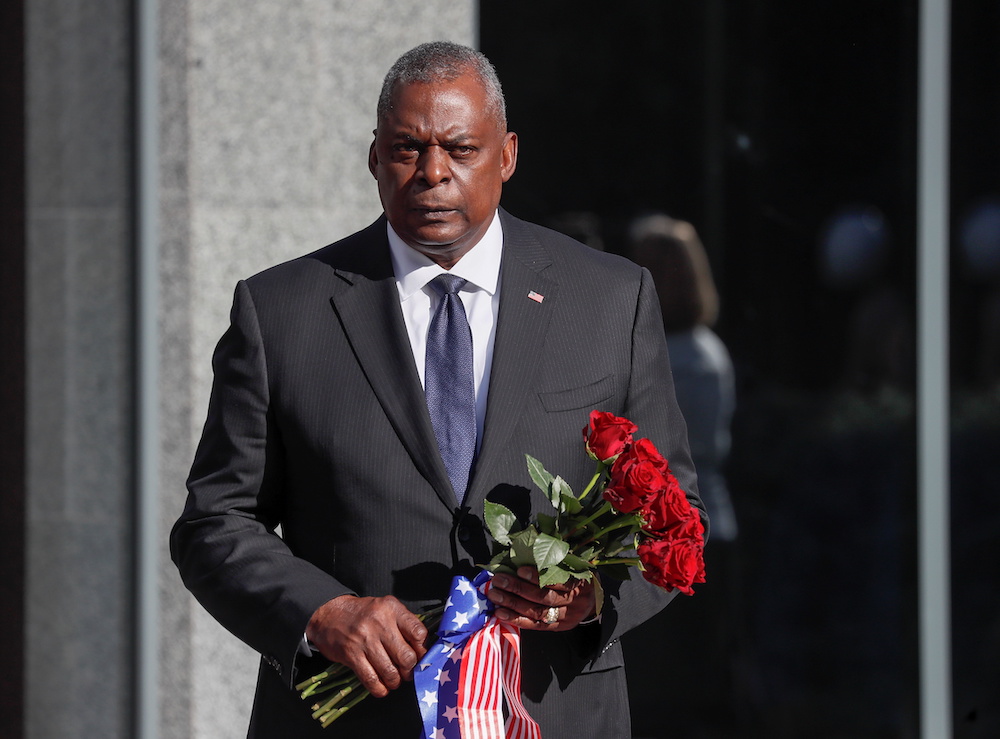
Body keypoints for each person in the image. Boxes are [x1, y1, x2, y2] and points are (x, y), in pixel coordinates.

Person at [170, 42, 704, 738]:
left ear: (506, 155)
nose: (433, 173)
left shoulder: (609, 299)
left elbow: (676, 512)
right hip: (356, 715)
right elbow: (214, 523)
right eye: (406, 149)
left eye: (460, 149)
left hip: (551, 708)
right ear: (373, 158)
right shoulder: (281, 312)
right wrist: (319, 613)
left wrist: (595, 596)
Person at [624, 215, 740, 737]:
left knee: (684, 679)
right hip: (688, 524)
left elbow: (677, 453)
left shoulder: (688, 358)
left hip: (690, 528)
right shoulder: (694, 349)